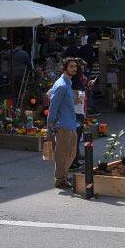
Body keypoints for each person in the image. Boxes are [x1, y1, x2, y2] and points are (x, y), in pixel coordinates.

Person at [46, 58, 81, 190]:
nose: (74, 69)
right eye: (71, 66)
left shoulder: (67, 83)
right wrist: (50, 126)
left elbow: (53, 96)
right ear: (65, 68)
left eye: (75, 67)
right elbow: (53, 107)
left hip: (71, 124)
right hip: (63, 126)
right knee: (62, 154)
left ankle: (63, 176)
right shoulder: (61, 85)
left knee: (71, 153)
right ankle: (60, 180)